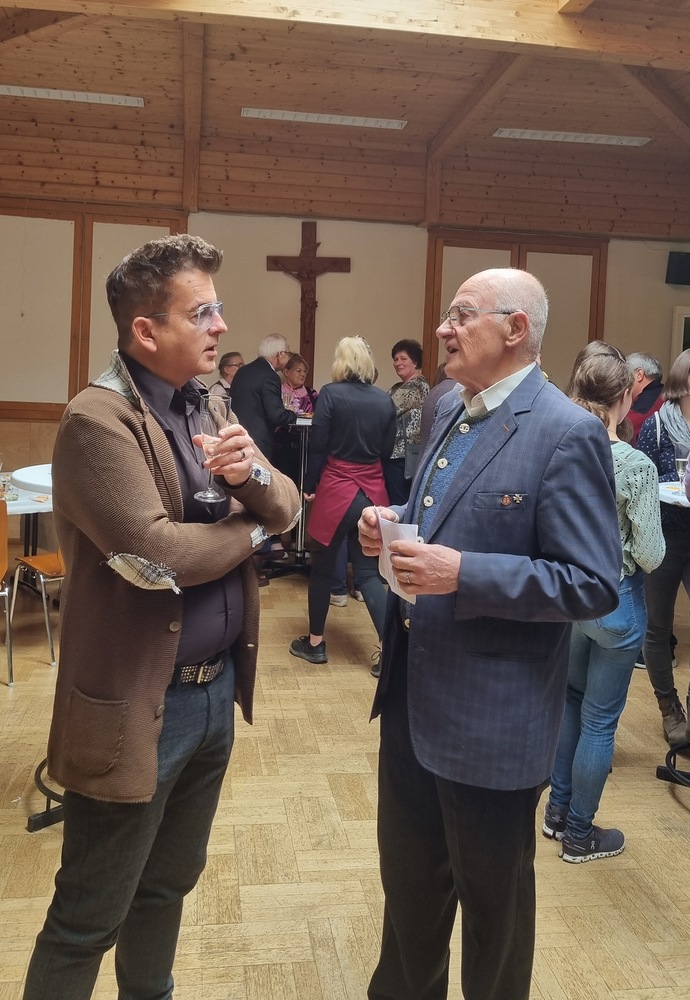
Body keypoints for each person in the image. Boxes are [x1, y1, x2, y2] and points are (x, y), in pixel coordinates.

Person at [21, 235, 300, 1000]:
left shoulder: (208, 401)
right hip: (136, 707)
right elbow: (157, 554)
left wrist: (252, 479)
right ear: (145, 330)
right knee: (87, 917)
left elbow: (286, 502)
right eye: (201, 311)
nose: (221, 324)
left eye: (218, 307)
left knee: (168, 886)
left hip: (213, 695)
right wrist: (253, 531)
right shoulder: (97, 420)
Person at [358, 267, 621, 1000]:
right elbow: (440, 508)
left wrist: (463, 573)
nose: (443, 328)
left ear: (515, 328)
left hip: (493, 725)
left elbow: (592, 583)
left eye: (461, 314)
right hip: (411, 707)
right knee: (409, 898)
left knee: (494, 919)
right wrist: (392, 523)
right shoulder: (449, 404)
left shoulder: (565, 432)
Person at [544, 345, 664, 863]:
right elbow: (652, 555)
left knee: (571, 703)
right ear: (624, 397)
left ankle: (555, 813)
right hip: (617, 601)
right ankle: (579, 834)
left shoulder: (561, 447)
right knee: (599, 721)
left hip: (570, 593)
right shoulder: (635, 465)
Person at [289, 336, 396, 673]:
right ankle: (389, 652)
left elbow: (319, 445)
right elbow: (387, 450)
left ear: (341, 361)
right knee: (368, 574)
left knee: (322, 569)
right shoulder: (385, 400)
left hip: (337, 490)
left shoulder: (331, 394)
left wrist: (309, 486)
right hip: (373, 492)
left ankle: (315, 645)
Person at [637, 349, 690, 747]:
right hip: (665, 535)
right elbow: (642, 482)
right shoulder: (657, 425)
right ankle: (669, 708)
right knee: (657, 626)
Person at [229, 333, 296, 460]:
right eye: (288, 353)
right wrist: (292, 414)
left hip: (237, 436)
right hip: (258, 443)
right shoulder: (270, 376)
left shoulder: (243, 371)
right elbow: (276, 416)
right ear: (280, 354)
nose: (289, 358)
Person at [384, 338, 429, 505]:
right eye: (395, 359)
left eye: (403, 358)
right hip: (396, 456)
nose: (398, 363)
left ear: (415, 362)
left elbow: (385, 410)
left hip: (404, 457)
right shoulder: (398, 387)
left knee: (399, 504)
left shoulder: (417, 386)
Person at [627, 351, 664, 446]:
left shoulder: (647, 404)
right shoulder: (665, 394)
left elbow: (628, 427)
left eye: (625, 375)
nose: (623, 382)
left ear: (639, 374)